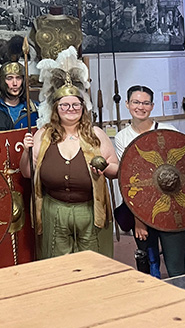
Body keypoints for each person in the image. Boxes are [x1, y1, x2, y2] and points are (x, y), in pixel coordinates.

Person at [20, 47, 118, 258]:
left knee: (93, 264)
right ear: (56, 109)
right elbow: (28, 172)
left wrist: (104, 167)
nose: (71, 109)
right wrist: (26, 151)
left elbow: (116, 170)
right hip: (54, 210)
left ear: (83, 108)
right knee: (58, 266)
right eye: (64, 105)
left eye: (75, 105)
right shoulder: (43, 134)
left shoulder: (96, 134)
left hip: (90, 210)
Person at [114, 85, 185, 278]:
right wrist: (139, 220)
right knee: (149, 264)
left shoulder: (168, 130)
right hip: (141, 209)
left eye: (145, 103)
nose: (141, 107)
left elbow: (183, 169)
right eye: (136, 102)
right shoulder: (122, 137)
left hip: (172, 207)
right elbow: (129, 180)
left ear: (152, 106)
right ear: (128, 104)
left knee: (176, 267)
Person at [0, 61, 38, 129]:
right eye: (9, 78)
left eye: (18, 78)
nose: (15, 83)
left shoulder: (35, 108)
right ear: (2, 81)